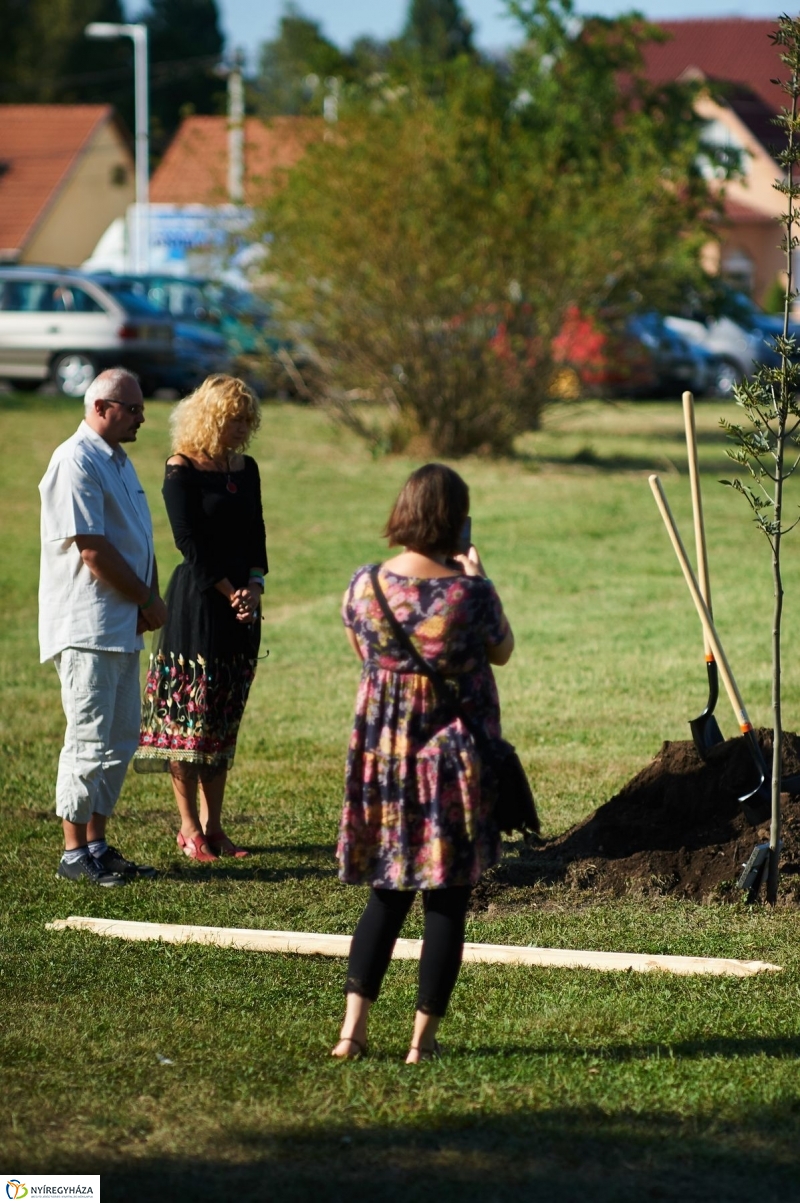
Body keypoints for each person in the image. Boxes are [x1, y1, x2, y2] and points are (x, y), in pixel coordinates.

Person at [333, 463, 515, 1063]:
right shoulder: (469, 595)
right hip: (452, 764)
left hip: (386, 763)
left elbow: (364, 649)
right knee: (446, 900)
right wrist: (479, 575)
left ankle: (351, 1034)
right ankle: (421, 1042)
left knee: (387, 892)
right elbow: (503, 651)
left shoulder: (365, 585)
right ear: (456, 520)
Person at [39, 367, 167, 886]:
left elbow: (140, 539)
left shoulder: (118, 459)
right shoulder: (75, 460)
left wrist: (149, 597)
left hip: (122, 622)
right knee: (89, 737)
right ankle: (74, 853)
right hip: (88, 623)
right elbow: (92, 548)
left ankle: (97, 841)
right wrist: (146, 598)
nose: (141, 417)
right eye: (132, 408)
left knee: (119, 738)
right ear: (101, 408)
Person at [134, 374, 267, 861]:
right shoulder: (181, 468)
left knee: (222, 717)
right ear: (210, 418)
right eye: (234, 421)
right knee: (187, 717)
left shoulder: (245, 468)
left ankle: (215, 826)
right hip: (198, 601)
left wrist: (254, 586)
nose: (242, 430)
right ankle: (188, 827)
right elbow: (188, 541)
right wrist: (231, 591)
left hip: (241, 606)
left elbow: (256, 534)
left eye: (247, 421)